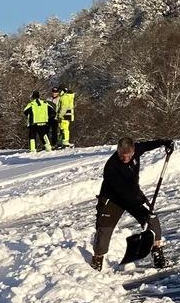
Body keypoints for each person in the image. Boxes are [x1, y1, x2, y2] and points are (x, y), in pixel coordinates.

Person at [90, 137, 171, 270]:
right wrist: (138, 200)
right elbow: (122, 190)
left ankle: (157, 253)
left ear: (133, 151)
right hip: (113, 199)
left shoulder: (136, 150)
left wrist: (164, 142)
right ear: (118, 151)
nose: (126, 159)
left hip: (132, 195)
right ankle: (97, 260)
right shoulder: (111, 166)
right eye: (122, 156)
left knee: (152, 219)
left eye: (129, 156)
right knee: (104, 230)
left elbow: (147, 144)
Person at [54, 85, 76, 149]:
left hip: (64, 116)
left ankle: (65, 142)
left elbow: (64, 107)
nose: (58, 92)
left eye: (59, 91)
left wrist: (60, 115)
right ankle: (62, 142)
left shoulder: (64, 97)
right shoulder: (67, 97)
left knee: (64, 129)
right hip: (67, 116)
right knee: (63, 129)